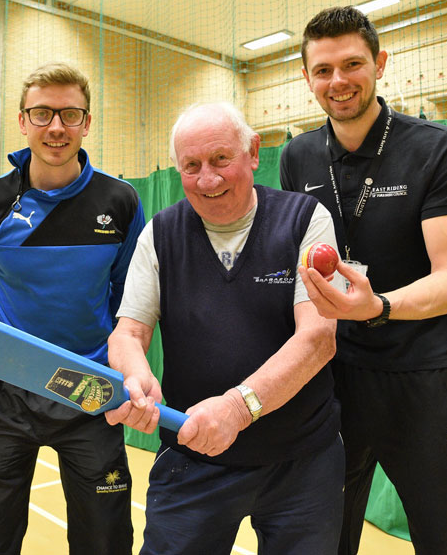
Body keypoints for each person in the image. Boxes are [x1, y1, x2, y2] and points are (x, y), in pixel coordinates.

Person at [105, 101, 345, 555]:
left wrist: (238, 408)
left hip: (303, 461)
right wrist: (135, 376)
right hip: (194, 458)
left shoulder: (306, 220)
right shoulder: (158, 234)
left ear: (253, 152)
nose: (208, 180)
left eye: (221, 160)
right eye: (191, 166)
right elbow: (128, 334)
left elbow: (318, 338)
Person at [280, 6, 447, 555]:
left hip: (423, 380)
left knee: (440, 540)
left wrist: (379, 306)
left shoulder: (439, 149)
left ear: (380, 64)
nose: (338, 81)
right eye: (322, 70)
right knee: (325, 538)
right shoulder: (297, 157)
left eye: (352, 64)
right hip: (334, 381)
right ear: (306, 77)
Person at [0, 62, 144, 555]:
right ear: (22, 121)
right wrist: (10, 344)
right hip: (6, 394)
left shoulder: (120, 201)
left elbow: (128, 297)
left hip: (90, 394)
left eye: (69, 114)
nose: (56, 127)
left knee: (105, 542)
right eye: (42, 113)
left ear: (87, 122)